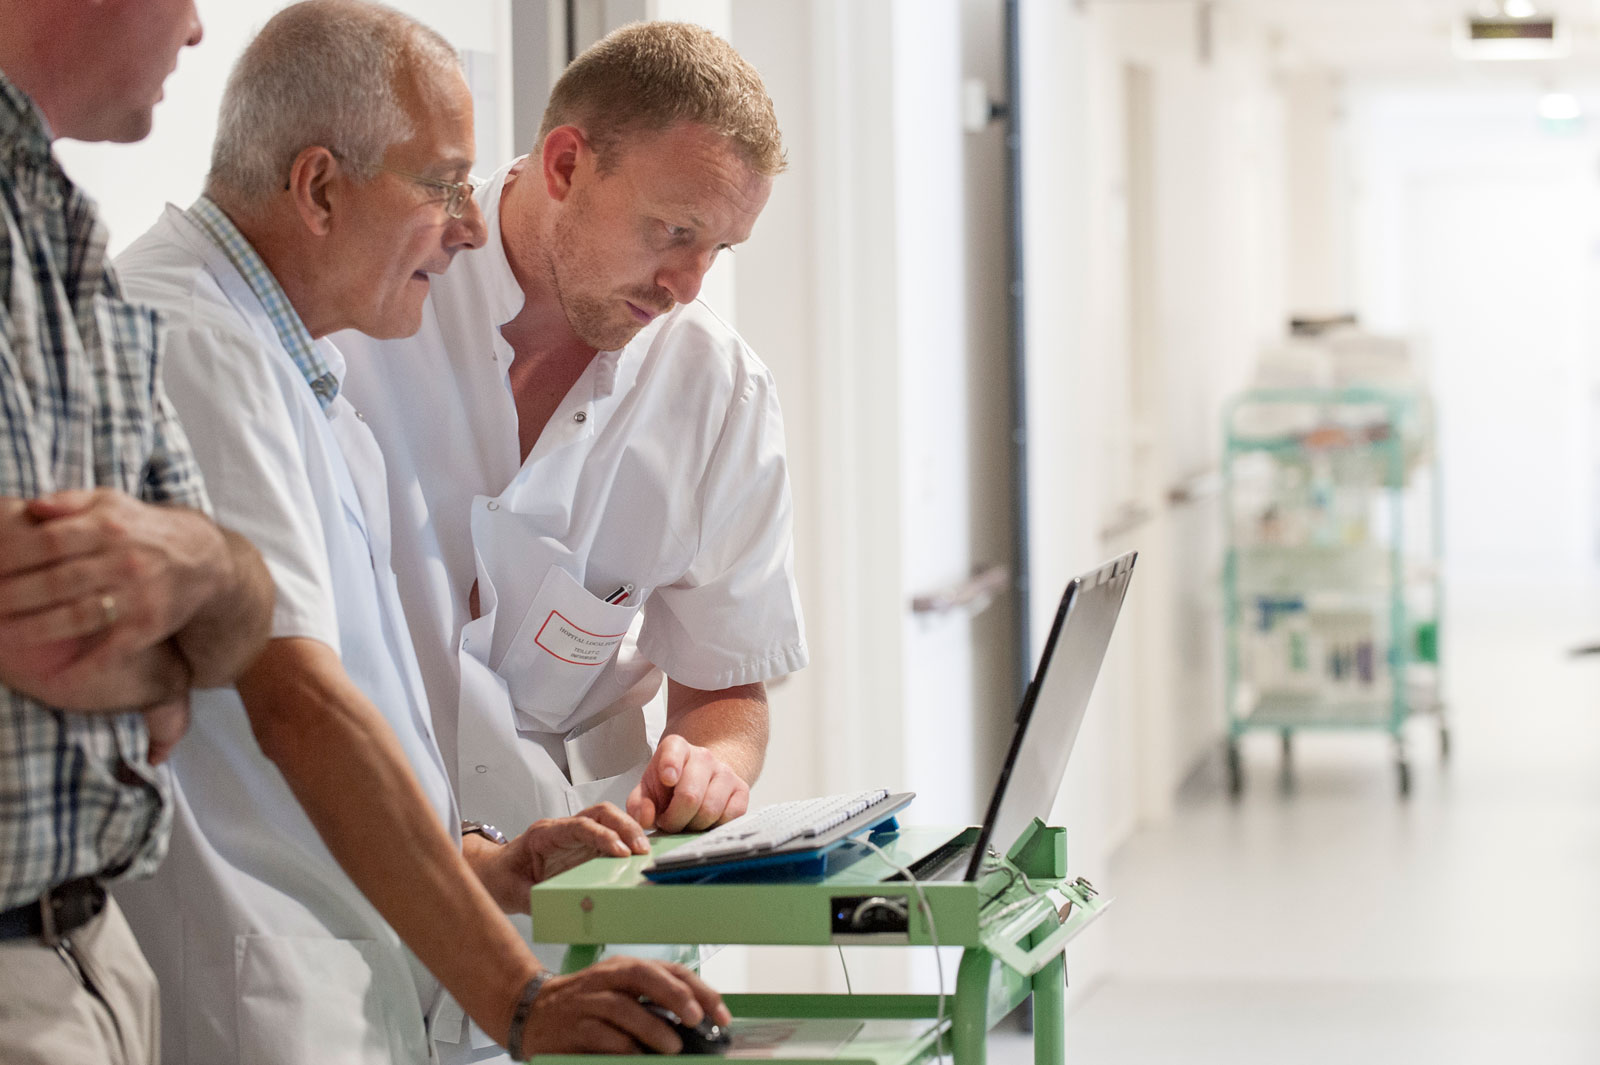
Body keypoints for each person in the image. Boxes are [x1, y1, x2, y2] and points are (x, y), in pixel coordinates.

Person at [108, 4, 726, 1063]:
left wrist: (487, 862)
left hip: (344, 982)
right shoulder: (196, 346)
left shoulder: (295, 372)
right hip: (257, 992)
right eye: (443, 185)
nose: (470, 227)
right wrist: (522, 999)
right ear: (319, 188)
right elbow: (301, 710)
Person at [339, 21, 807, 861]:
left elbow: (726, 683)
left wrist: (710, 764)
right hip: (368, 867)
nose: (688, 285)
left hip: (592, 888)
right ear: (564, 166)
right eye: (674, 231)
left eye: (718, 249)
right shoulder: (367, 300)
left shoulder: (718, 389)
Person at [0, 1, 279, 1063]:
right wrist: (173, 627)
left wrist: (202, 572)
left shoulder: (52, 218)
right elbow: (49, 635)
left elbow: (236, 614)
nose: (199, 30)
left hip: (92, 951)